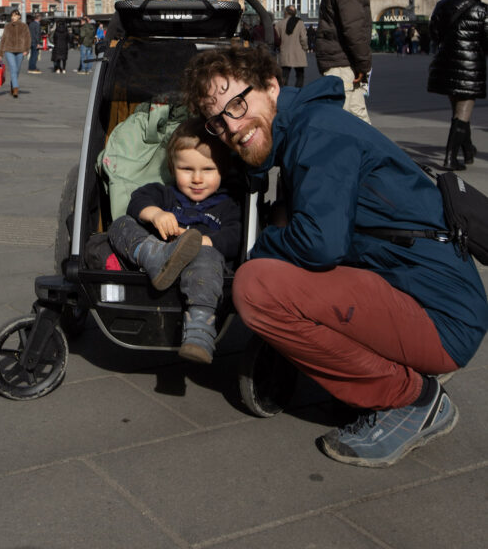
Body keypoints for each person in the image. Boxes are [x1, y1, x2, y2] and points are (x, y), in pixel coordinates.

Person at [181, 44, 488, 468]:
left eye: (237, 103)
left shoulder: (318, 132)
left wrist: (257, 248)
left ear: (272, 86)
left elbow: (321, 245)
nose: (231, 126)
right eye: (218, 121)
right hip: (426, 297)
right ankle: (399, 374)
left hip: (442, 317)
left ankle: (414, 401)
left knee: (257, 287)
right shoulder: (302, 127)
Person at [107, 118, 242, 364]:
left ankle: (199, 329)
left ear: (222, 170)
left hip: (204, 271)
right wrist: (156, 214)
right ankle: (155, 255)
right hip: (160, 260)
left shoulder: (228, 206)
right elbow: (137, 200)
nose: (197, 179)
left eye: (208, 170)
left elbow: (235, 238)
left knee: (207, 255)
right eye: (187, 169)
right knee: (120, 224)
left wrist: (204, 243)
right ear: (172, 168)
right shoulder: (166, 194)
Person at [427, 0, 488, 171]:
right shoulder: (482, 10)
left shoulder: (442, 4)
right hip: (469, 67)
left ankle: (468, 150)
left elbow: (433, 33)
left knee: (459, 110)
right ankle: (450, 158)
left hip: (445, 64)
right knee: (462, 112)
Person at [315, 0, 374, 123]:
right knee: (351, 119)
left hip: (341, 60)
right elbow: (353, 29)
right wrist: (364, 66)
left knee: (351, 118)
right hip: (341, 62)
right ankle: (371, 152)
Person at [0, 8, 31, 97]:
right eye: (12, 15)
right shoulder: (7, 26)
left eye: (15, 15)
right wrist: (0, 53)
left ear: (19, 16)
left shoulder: (24, 26)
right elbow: (3, 39)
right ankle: (16, 89)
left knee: (17, 71)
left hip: (20, 51)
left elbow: (28, 38)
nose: (13, 17)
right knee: (13, 68)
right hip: (9, 50)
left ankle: (13, 85)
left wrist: (26, 49)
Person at [275, 5, 308, 88]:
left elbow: (277, 38)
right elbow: (303, 38)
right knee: (300, 75)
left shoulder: (279, 24)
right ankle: (298, 92)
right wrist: (305, 47)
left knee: (285, 75)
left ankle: (284, 92)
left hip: (285, 52)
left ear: (285, 12)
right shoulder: (300, 23)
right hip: (298, 52)